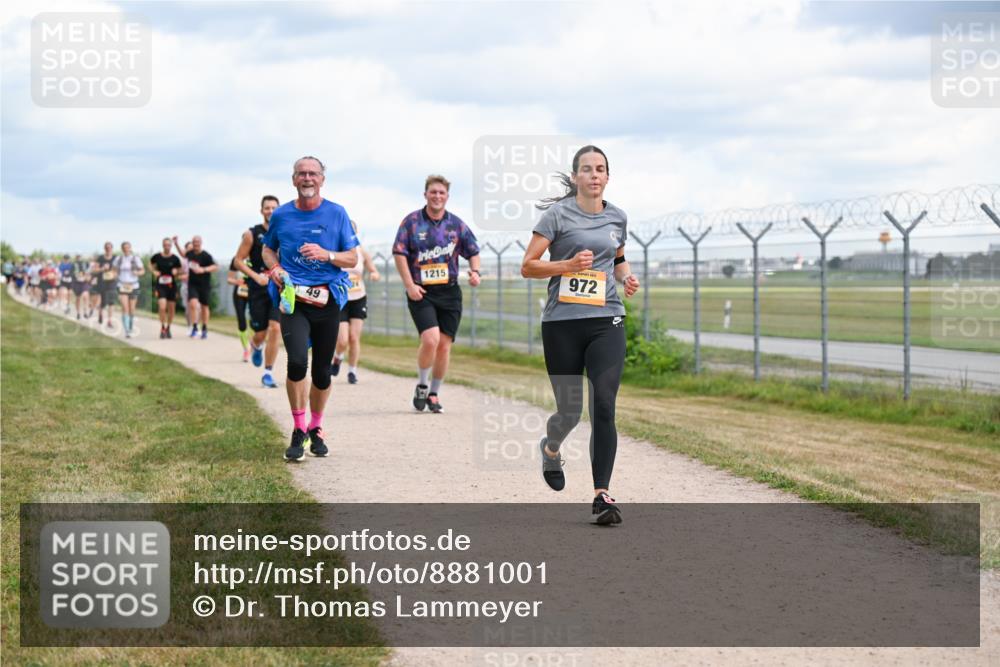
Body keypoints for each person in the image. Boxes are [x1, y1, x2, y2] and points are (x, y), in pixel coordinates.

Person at [520, 145, 640, 526]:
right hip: (562, 324)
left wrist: (627, 278)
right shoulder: (557, 215)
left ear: (607, 176)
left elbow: (617, 260)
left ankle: (602, 494)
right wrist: (567, 265)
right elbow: (529, 266)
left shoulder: (617, 216)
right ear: (575, 177)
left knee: (604, 403)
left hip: (607, 320)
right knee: (570, 412)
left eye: (600, 169)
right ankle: (551, 448)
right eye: (586, 169)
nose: (593, 174)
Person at [261, 156, 358, 462]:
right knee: (298, 363)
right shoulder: (281, 215)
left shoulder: (337, 213)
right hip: (294, 302)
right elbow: (267, 249)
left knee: (321, 373)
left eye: (312, 174)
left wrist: (326, 254)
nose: (307, 178)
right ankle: (298, 428)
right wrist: (275, 269)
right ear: (293, 180)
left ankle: (316, 427)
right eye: (301, 173)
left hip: (327, 301)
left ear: (321, 179)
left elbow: (352, 258)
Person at [392, 174, 481, 413]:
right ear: (425, 195)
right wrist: (410, 285)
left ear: (447, 197)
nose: (437, 196)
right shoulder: (411, 222)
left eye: (441, 193)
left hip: (450, 292)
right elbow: (399, 253)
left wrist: (475, 271)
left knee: (443, 345)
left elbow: (473, 249)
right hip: (422, 291)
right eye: (433, 192)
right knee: (430, 339)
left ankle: (434, 393)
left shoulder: (456, 225)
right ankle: (422, 383)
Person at [235, 195, 284, 388]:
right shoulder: (251, 234)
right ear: (261, 210)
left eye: (274, 208)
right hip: (257, 288)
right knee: (260, 333)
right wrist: (256, 277)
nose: (270, 211)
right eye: (267, 208)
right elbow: (238, 260)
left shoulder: (285, 231)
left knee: (276, 328)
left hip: (278, 287)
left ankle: (268, 372)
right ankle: (255, 345)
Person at [331, 220, 380, 384]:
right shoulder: (336, 252)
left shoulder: (362, 252)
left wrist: (374, 274)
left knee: (354, 337)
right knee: (343, 339)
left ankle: (352, 371)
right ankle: (337, 357)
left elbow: (374, 269)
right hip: (341, 299)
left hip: (359, 298)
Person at [185, 236, 218, 339]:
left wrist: (203, 270)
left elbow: (215, 267)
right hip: (192, 284)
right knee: (193, 304)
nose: (196, 244)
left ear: (201, 243)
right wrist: (176, 243)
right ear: (192, 243)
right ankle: (194, 327)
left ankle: (204, 328)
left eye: (198, 242)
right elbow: (183, 254)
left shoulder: (206, 255)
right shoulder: (190, 254)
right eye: (194, 242)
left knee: (204, 307)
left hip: (204, 285)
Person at [150, 237, 182, 338]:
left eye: (168, 245)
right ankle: (162, 327)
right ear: (162, 245)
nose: (167, 247)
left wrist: (177, 271)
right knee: (162, 307)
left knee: (171, 309)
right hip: (160, 285)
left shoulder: (175, 258)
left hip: (171, 286)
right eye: (165, 245)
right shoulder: (157, 256)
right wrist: (154, 271)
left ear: (171, 246)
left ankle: (168, 327)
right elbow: (150, 264)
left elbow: (180, 269)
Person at [114, 241, 145, 338]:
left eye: (128, 247)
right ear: (122, 249)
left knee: (132, 309)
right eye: (124, 247)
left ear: (130, 248)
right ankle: (127, 331)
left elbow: (142, 271)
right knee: (125, 307)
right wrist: (113, 275)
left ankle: (131, 328)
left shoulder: (136, 258)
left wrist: (137, 273)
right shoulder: (118, 259)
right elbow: (114, 270)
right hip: (122, 285)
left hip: (134, 285)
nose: (126, 249)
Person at [228, 257, 251, 361]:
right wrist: (237, 281)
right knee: (242, 322)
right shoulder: (236, 259)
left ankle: (254, 344)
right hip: (239, 293)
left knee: (256, 321)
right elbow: (229, 279)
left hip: (255, 293)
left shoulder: (258, 256)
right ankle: (246, 349)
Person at [94, 242, 118, 328]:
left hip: (112, 282)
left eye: (109, 247)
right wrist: (102, 268)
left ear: (112, 248)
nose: (108, 249)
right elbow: (95, 270)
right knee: (103, 302)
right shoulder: (100, 258)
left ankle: (109, 321)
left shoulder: (115, 258)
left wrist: (114, 273)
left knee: (111, 302)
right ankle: (100, 314)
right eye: (106, 248)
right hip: (102, 282)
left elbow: (118, 269)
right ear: (104, 249)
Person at [70, 254, 91, 319]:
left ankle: (85, 312)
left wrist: (87, 277)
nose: (79, 258)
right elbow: (71, 274)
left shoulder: (86, 264)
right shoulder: (73, 265)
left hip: (84, 282)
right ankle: (78, 313)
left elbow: (89, 271)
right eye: (78, 256)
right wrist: (76, 276)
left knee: (85, 295)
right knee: (78, 298)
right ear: (76, 257)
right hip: (76, 283)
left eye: (80, 256)